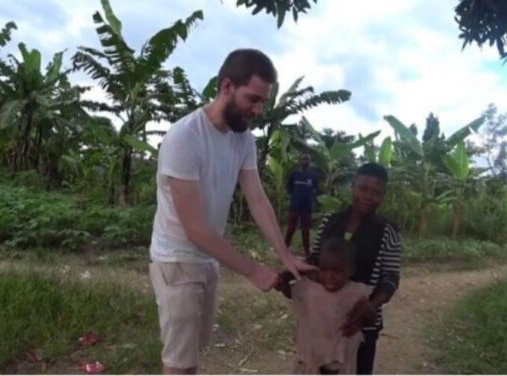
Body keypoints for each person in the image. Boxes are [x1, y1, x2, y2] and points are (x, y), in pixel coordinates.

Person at [148, 48, 314, 375]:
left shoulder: (243, 140)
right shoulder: (185, 137)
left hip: (209, 260)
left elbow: (257, 198)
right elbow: (196, 229)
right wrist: (254, 271)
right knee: (179, 364)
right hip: (177, 261)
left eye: (263, 102)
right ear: (227, 87)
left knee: (193, 353)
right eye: (252, 99)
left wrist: (284, 256)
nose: (258, 110)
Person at [309, 163, 403, 374]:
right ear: (352, 187)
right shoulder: (330, 222)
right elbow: (314, 259)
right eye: (363, 188)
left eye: (376, 192)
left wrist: (370, 306)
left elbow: (391, 278)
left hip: (362, 325)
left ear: (383, 195)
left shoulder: (388, 232)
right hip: (325, 319)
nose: (368, 196)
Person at [276, 238, 372, 374]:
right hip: (310, 358)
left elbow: (369, 319)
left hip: (340, 361)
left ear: (351, 270)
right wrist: (283, 282)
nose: (329, 276)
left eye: (337, 271)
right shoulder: (309, 288)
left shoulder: (356, 293)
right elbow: (290, 293)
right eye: (324, 269)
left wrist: (368, 312)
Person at [285, 153, 320, 257]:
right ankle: (284, 249)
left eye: (307, 159)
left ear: (310, 162)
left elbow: (315, 190)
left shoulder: (313, 175)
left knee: (306, 232)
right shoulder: (294, 174)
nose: (305, 161)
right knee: (290, 229)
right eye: (303, 159)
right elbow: (289, 188)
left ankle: (307, 252)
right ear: (300, 161)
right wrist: (296, 197)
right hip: (294, 206)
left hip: (307, 208)